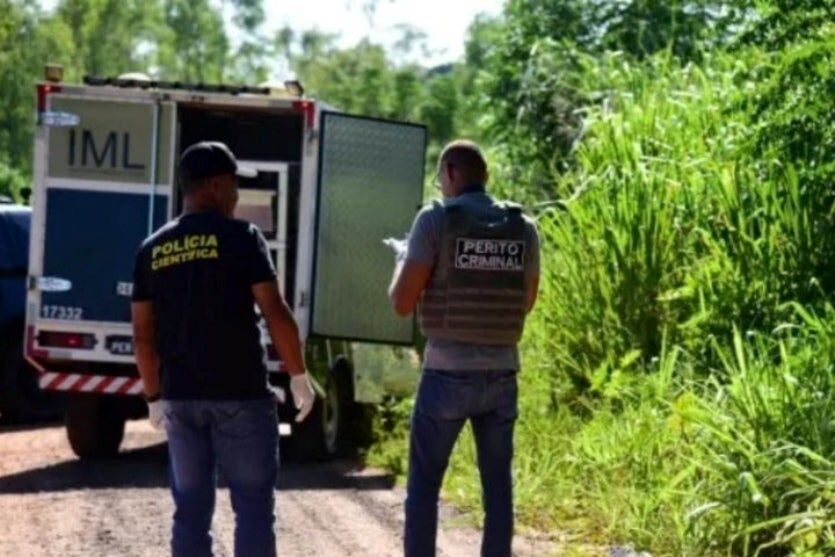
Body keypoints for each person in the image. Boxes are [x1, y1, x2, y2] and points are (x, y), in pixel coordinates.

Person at [130, 141, 316, 557]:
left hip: (181, 398)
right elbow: (275, 311)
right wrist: (298, 375)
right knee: (252, 508)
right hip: (241, 396)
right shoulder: (242, 238)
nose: (236, 194)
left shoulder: (152, 250)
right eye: (233, 184)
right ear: (214, 185)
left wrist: (154, 396)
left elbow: (143, 335)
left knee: (190, 511)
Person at [388, 139, 540, 557]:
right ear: (485, 176)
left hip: (446, 375)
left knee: (424, 484)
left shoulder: (435, 220)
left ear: (451, 173)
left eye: (441, 178)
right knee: (498, 488)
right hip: (503, 374)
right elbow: (527, 301)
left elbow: (401, 303)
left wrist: (403, 258)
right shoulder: (523, 226)